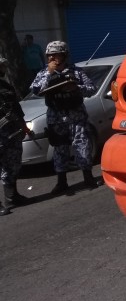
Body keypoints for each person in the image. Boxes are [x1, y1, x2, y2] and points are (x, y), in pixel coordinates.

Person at [29, 41, 98, 195]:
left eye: (56, 54)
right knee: (60, 149)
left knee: (82, 146)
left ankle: (88, 177)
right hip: (56, 117)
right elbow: (35, 90)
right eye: (49, 55)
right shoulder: (43, 73)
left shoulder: (77, 72)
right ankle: (62, 182)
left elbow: (92, 89)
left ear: (64, 55)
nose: (52, 57)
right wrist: (49, 73)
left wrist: (76, 87)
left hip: (76, 115)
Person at [0, 56, 31, 215]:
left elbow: (16, 108)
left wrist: (23, 125)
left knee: (12, 164)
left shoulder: (6, 86)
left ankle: (12, 196)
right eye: (1, 66)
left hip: (11, 132)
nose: (3, 68)